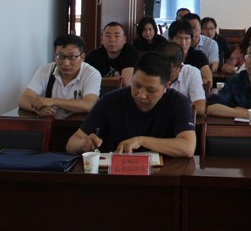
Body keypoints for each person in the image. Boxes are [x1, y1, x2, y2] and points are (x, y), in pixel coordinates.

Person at [66, 52, 196, 157]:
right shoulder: (111, 100)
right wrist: (83, 144)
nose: (141, 95)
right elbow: (71, 144)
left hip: (164, 174)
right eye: (136, 85)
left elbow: (188, 147)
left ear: (166, 86)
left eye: (150, 90)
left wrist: (141, 141)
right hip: (119, 172)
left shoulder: (178, 103)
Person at [19, 34, 101, 116]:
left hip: (79, 123)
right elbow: (24, 98)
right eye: (60, 56)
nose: (65, 63)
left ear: (82, 57)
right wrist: (38, 109)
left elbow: (89, 104)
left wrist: (53, 101)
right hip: (51, 122)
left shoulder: (92, 74)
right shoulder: (45, 71)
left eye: (72, 57)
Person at [157, 41, 206, 116]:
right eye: (161, 69)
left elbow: (200, 108)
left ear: (180, 67)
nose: (163, 74)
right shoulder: (149, 70)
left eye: (169, 72)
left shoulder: (191, 72)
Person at [84, 21, 139, 86]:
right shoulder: (93, 56)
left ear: (124, 39)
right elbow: (83, 79)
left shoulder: (130, 52)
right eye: (108, 36)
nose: (112, 39)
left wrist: (99, 80)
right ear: (102, 39)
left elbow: (125, 83)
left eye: (117, 36)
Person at [167, 19, 212, 91]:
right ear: (170, 39)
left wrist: (189, 80)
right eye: (179, 38)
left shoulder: (198, 56)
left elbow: (208, 81)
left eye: (187, 38)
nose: (183, 43)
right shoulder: (164, 56)